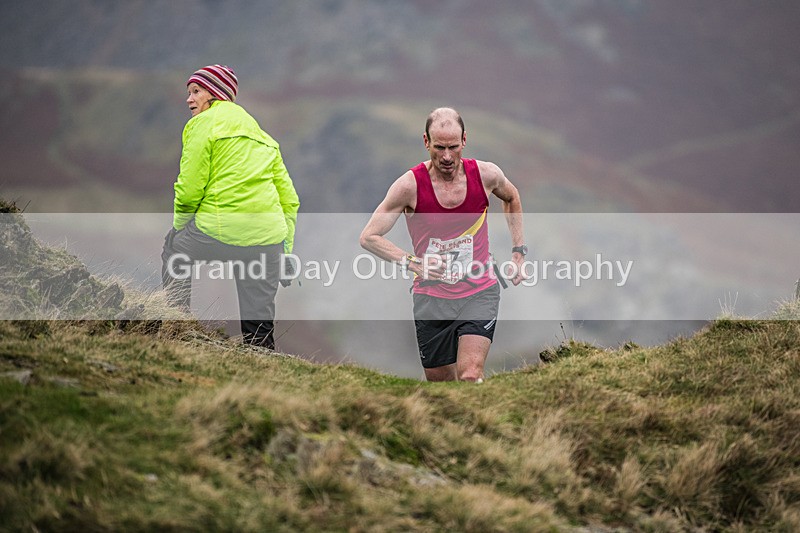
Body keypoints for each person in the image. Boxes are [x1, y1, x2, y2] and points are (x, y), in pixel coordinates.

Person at [360, 107, 526, 382]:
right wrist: (415, 264)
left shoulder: (486, 175)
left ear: (464, 140)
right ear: (426, 142)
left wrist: (518, 252)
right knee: (441, 385)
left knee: (470, 374)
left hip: (479, 290)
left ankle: (479, 423)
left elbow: (511, 197)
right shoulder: (409, 186)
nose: (447, 157)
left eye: (452, 147)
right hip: (431, 299)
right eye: (439, 147)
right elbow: (369, 237)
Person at [161, 64, 299, 349]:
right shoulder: (264, 137)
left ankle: (176, 326)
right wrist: (284, 251)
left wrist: (179, 228)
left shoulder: (202, 124)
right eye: (189, 92)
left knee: (175, 250)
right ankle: (263, 363)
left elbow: (189, 188)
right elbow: (289, 200)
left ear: (216, 93)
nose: (189, 99)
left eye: (196, 91)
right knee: (258, 322)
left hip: (218, 230)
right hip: (268, 239)